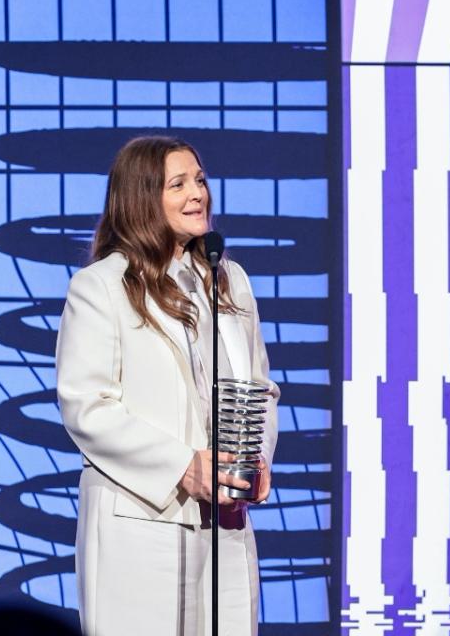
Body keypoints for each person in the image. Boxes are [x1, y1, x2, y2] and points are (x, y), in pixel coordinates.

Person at [56, 136, 279, 635]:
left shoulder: (228, 279)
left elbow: (261, 388)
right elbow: (87, 407)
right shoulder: (102, 286)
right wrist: (184, 466)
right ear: (140, 199)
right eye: (178, 184)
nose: (197, 192)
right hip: (141, 520)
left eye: (199, 179)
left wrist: (255, 458)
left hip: (225, 520)